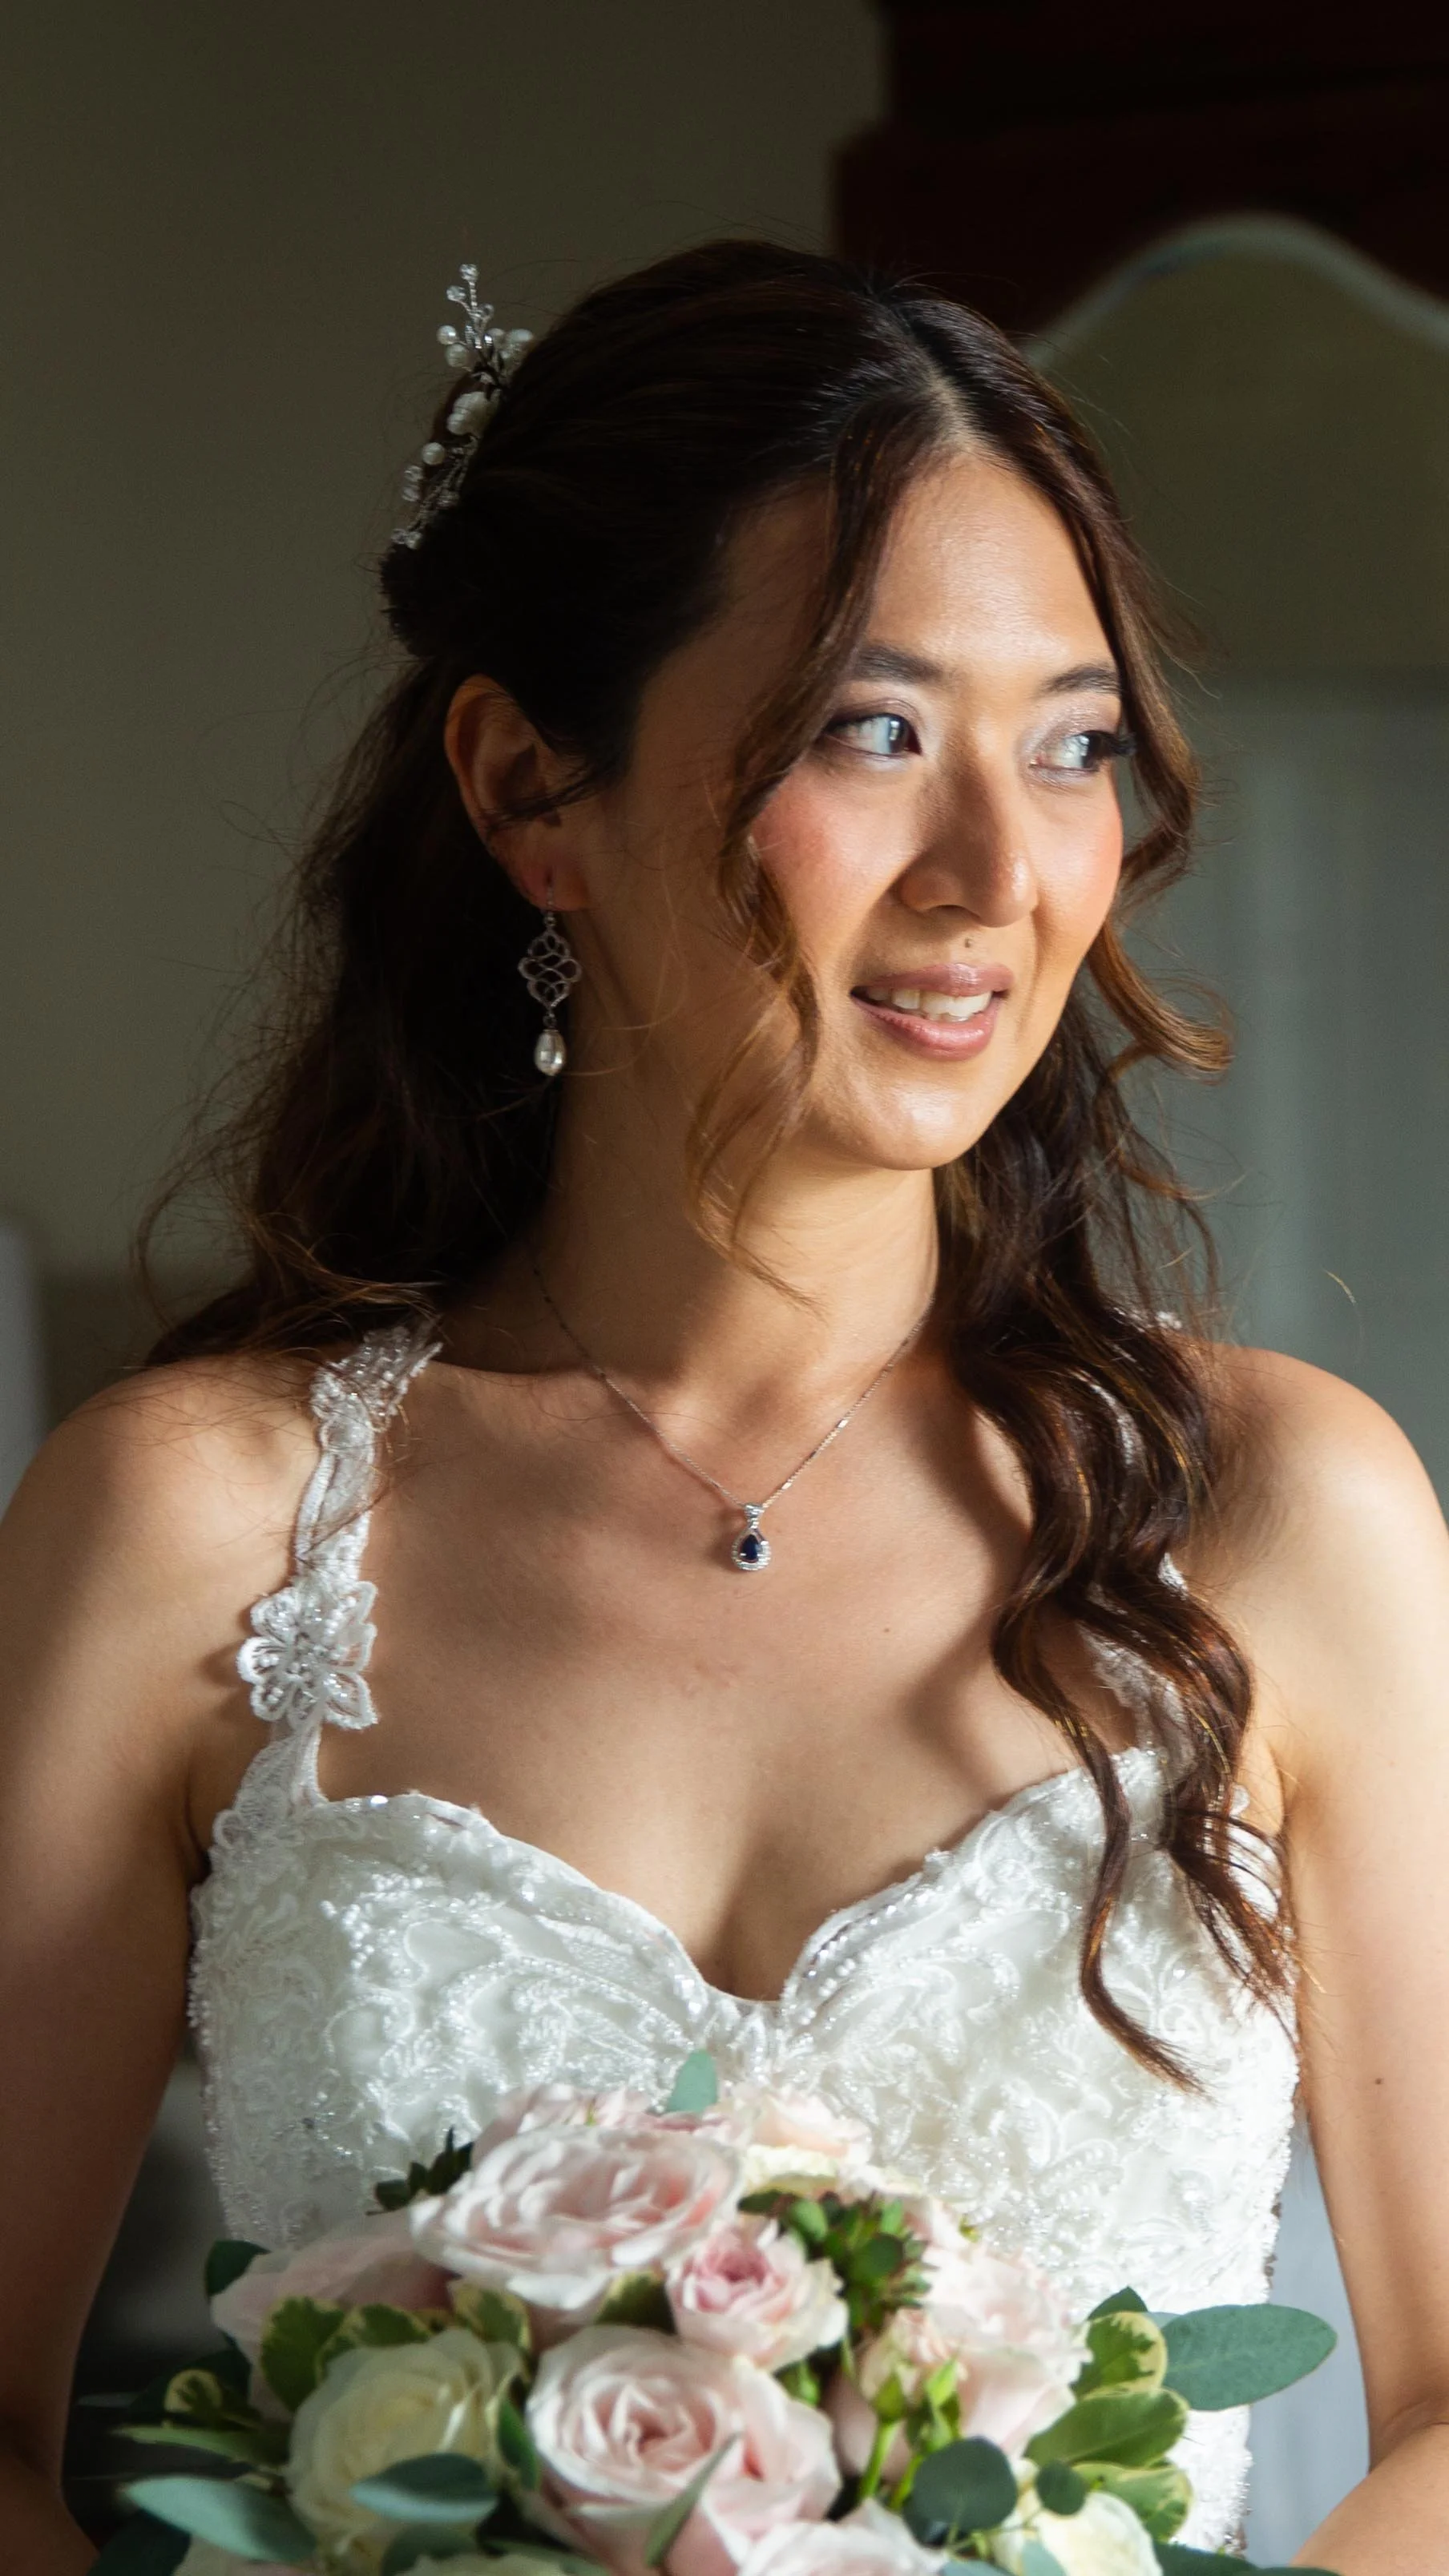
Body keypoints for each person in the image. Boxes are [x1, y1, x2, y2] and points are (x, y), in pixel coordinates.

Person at [1, 240, 1446, 2571]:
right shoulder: (195, 1529)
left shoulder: (1284, 1513)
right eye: (873, 730)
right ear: (524, 787)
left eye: (1070, 742)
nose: (1000, 872)